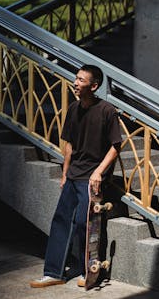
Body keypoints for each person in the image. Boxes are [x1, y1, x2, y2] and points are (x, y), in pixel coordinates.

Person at [30, 64, 122, 288]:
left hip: (92, 178)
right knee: (61, 221)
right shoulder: (73, 109)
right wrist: (64, 173)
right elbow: (69, 144)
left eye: (81, 80)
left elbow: (116, 146)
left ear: (94, 86)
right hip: (73, 176)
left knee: (84, 223)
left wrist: (99, 172)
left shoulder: (107, 111)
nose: (75, 83)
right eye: (76, 78)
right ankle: (54, 272)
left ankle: (87, 270)